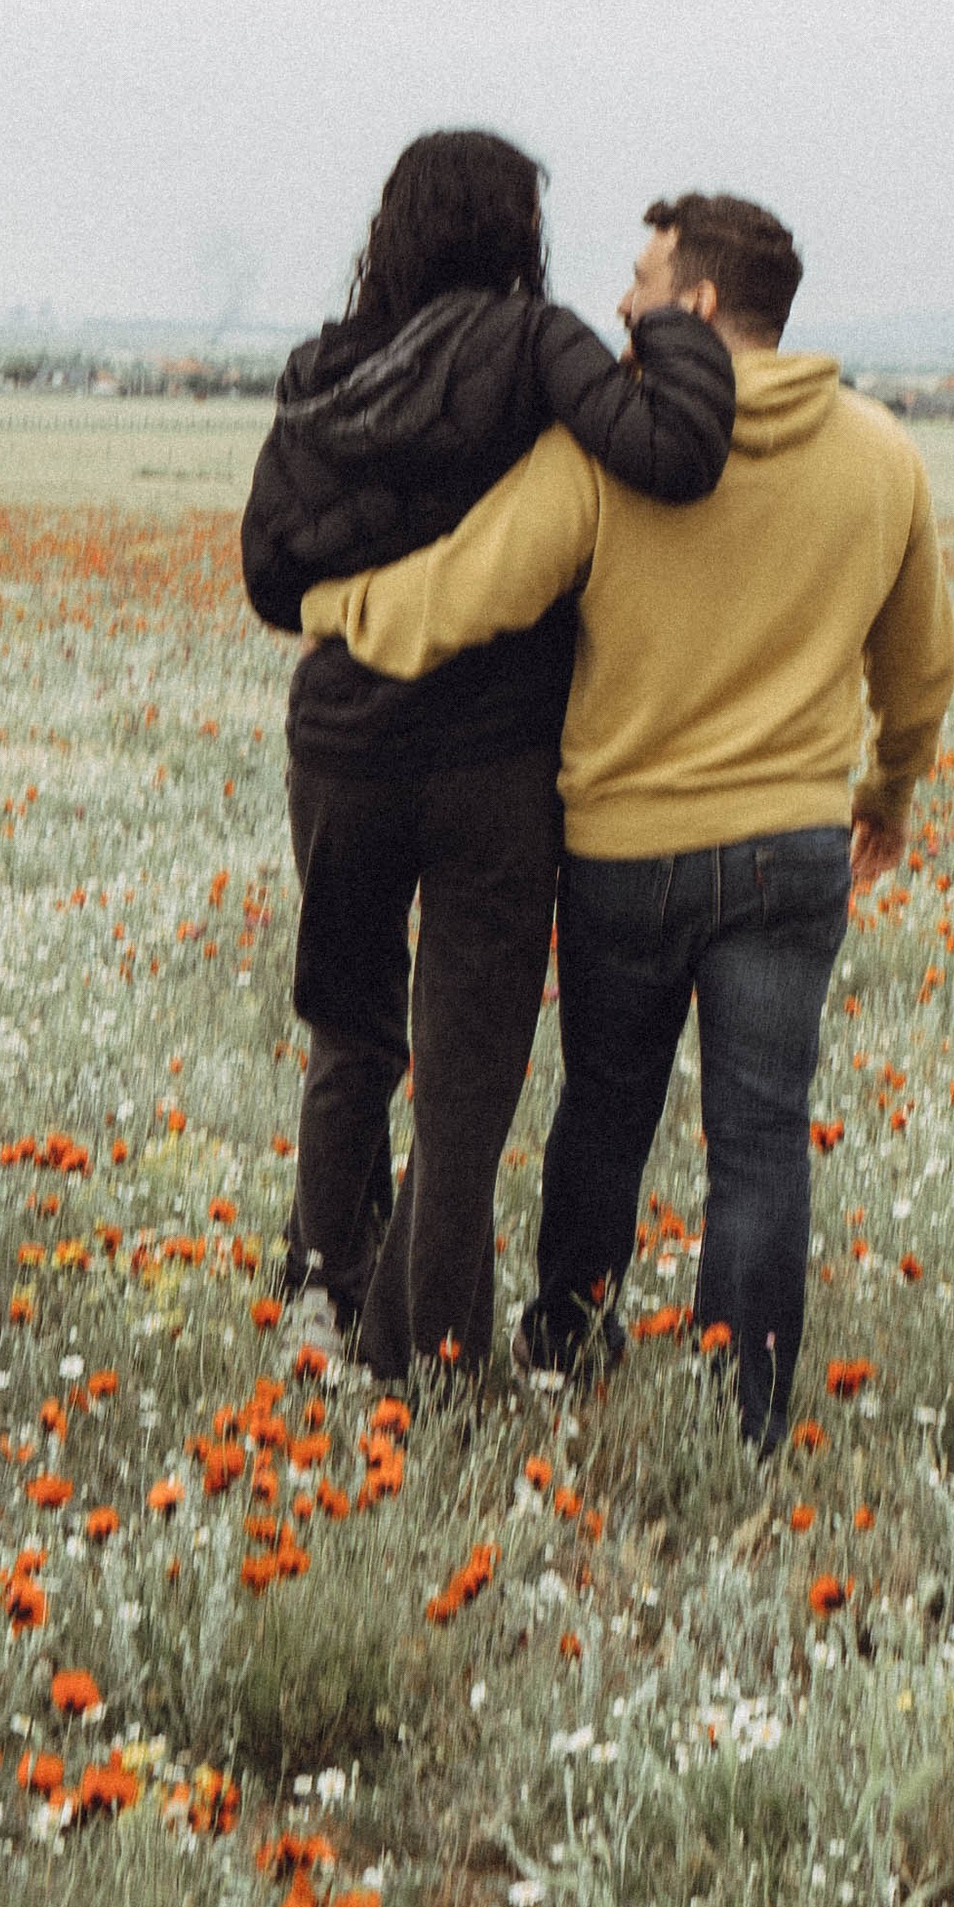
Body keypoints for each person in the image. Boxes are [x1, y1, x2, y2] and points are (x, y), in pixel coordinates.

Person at [301, 191, 954, 1447]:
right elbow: (918, 662)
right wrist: (891, 791)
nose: (619, 299)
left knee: (605, 1114)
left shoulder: (607, 455)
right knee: (760, 1139)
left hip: (628, 854)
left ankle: (570, 1352)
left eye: (642, 276)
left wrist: (328, 601)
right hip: (794, 849)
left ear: (699, 303)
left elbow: (465, 594)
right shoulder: (882, 453)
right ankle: (745, 1419)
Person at [241, 132, 733, 1384]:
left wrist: (369, 571)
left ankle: (325, 1294)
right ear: (517, 231)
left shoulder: (325, 368)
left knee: (350, 1031)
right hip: (495, 765)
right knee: (465, 1077)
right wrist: (675, 324)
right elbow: (672, 453)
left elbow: (267, 576)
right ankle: (434, 1349)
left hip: (344, 748)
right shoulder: (535, 342)